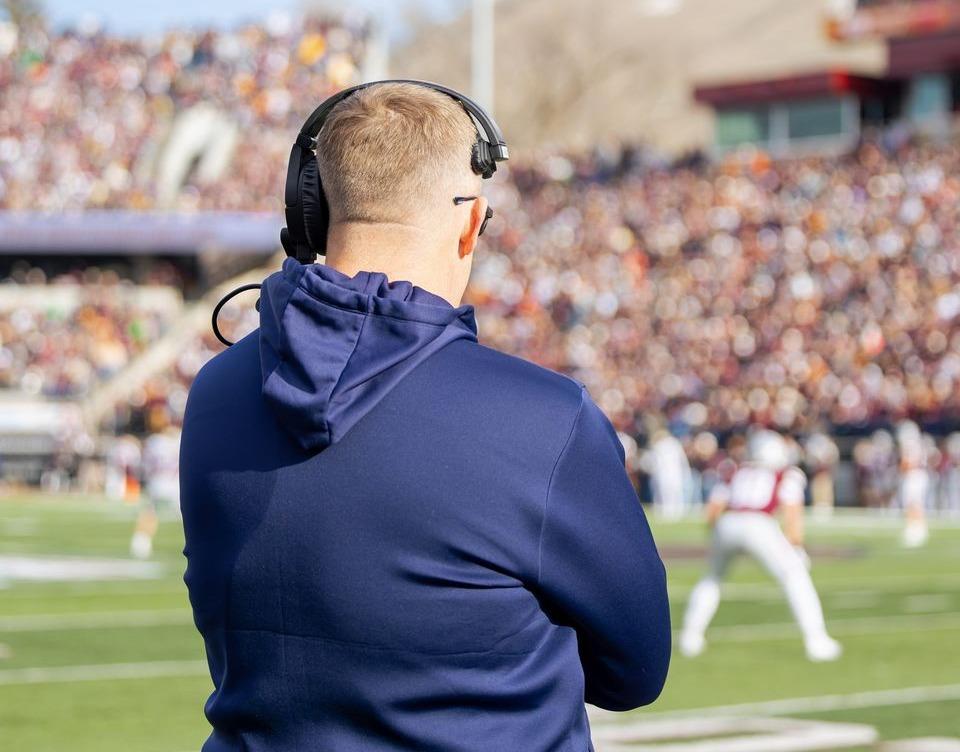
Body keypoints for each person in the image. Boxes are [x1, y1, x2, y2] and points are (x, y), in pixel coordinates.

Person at [180, 82, 670, 752]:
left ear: (311, 210)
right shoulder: (546, 419)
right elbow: (635, 672)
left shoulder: (214, 392)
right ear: (471, 221)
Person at [678, 429, 841, 662]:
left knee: (712, 578)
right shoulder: (786, 474)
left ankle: (690, 637)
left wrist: (719, 537)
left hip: (729, 522)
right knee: (796, 577)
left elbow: (712, 512)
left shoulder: (736, 471)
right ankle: (816, 640)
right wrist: (796, 546)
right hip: (759, 524)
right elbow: (792, 515)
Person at [897, 420, 930, 548]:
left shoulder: (911, 445)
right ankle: (916, 527)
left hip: (914, 475)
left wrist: (901, 468)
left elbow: (908, 464)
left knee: (913, 503)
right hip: (917, 475)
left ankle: (916, 528)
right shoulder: (916, 444)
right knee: (913, 503)